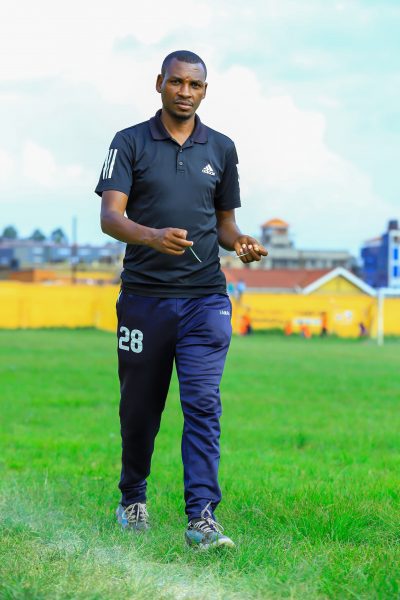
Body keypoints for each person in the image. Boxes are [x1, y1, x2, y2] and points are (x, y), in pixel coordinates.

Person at [95, 50, 268, 550]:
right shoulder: (128, 142)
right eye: (177, 83)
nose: (185, 92)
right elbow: (111, 217)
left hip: (205, 300)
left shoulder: (223, 148)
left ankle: (202, 518)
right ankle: (133, 497)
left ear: (205, 91)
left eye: (195, 85)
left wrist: (241, 243)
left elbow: (226, 222)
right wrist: (151, 236)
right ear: (160, 84)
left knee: (203, 404)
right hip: (145, 301)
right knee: (141, 410)